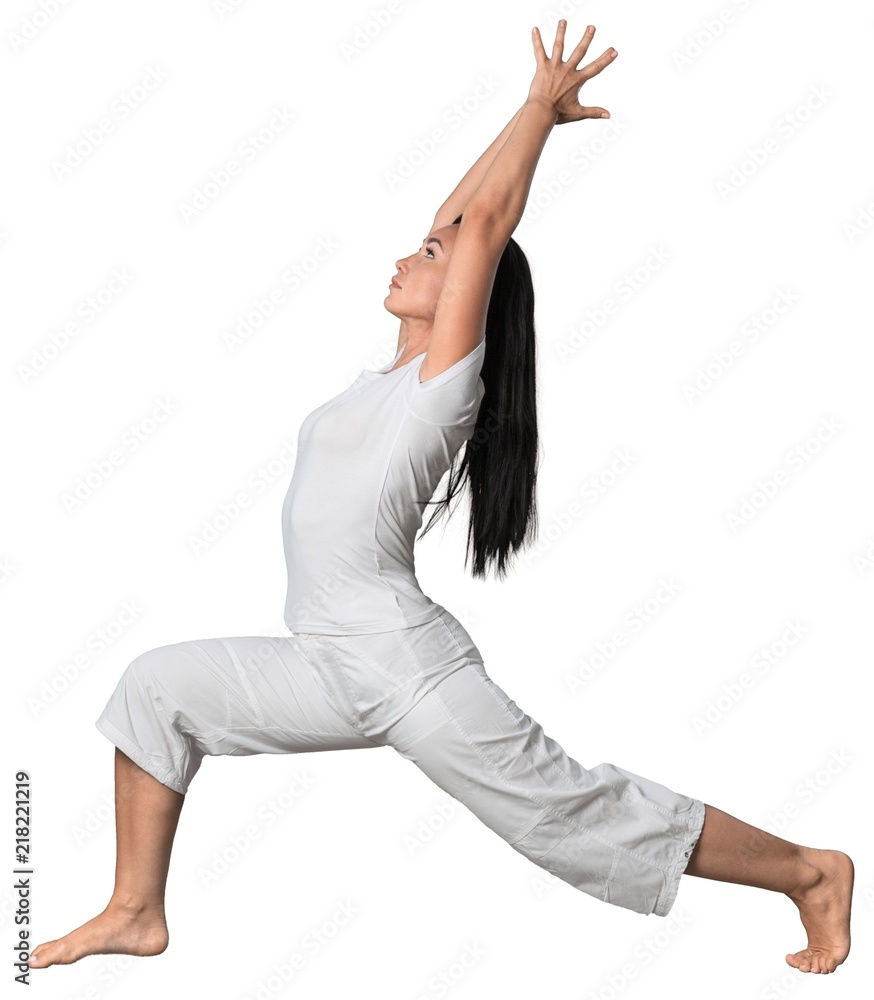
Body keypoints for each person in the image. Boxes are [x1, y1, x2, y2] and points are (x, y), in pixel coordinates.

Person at [29, 20, 852, 976]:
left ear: (468, 289)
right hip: (331, 656)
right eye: (426, 245)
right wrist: (520, 111)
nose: (409, 254)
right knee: (155, 688)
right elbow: (465, 218)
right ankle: (135, 908)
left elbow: (484, 231)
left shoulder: (440, 394)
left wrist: (541, 117)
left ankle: (809, 872)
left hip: (407, 670)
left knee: (571, 816)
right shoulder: (395, 377)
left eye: (430, 256)